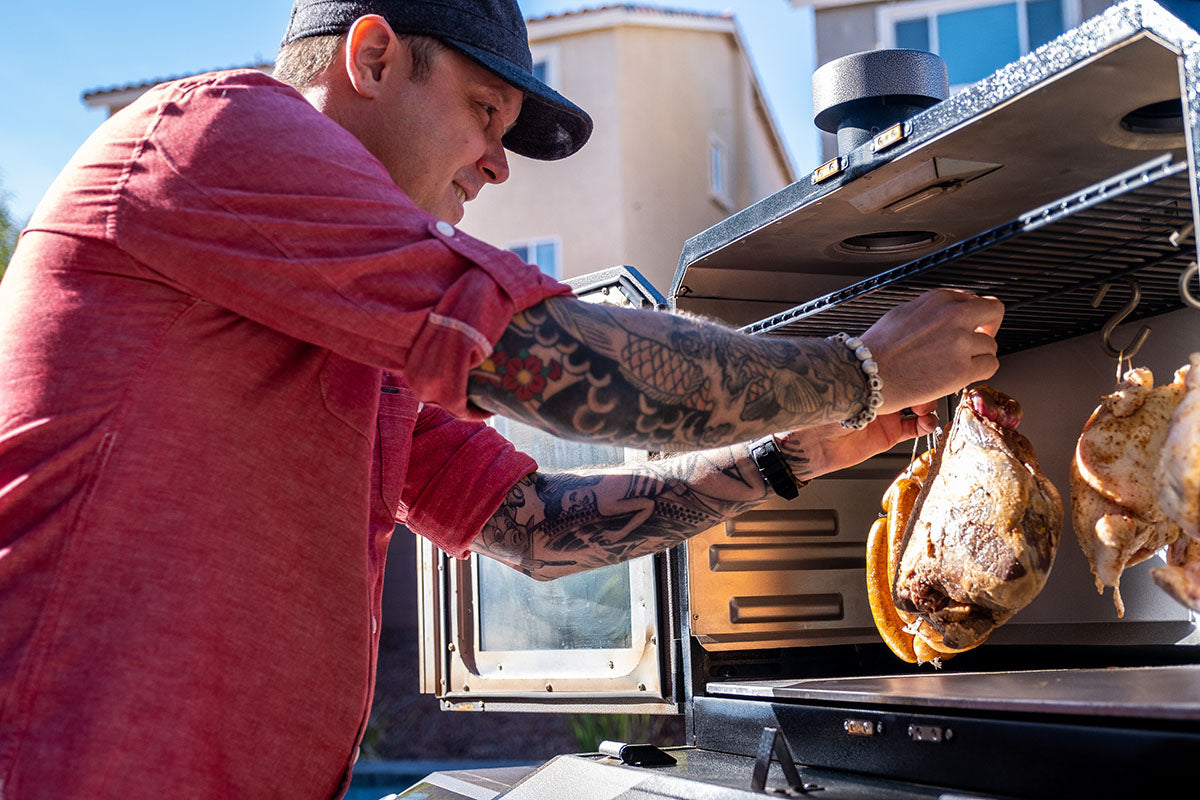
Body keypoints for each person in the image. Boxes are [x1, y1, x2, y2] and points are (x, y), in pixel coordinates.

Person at [0, 0, 1003, 796]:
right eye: (484, 111)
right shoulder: (222, 132)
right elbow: (557, 361)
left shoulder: (342, 310)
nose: (496, 163)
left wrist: (790, 457)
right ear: (375, 55)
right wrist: (861, 367)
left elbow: (531, 524)